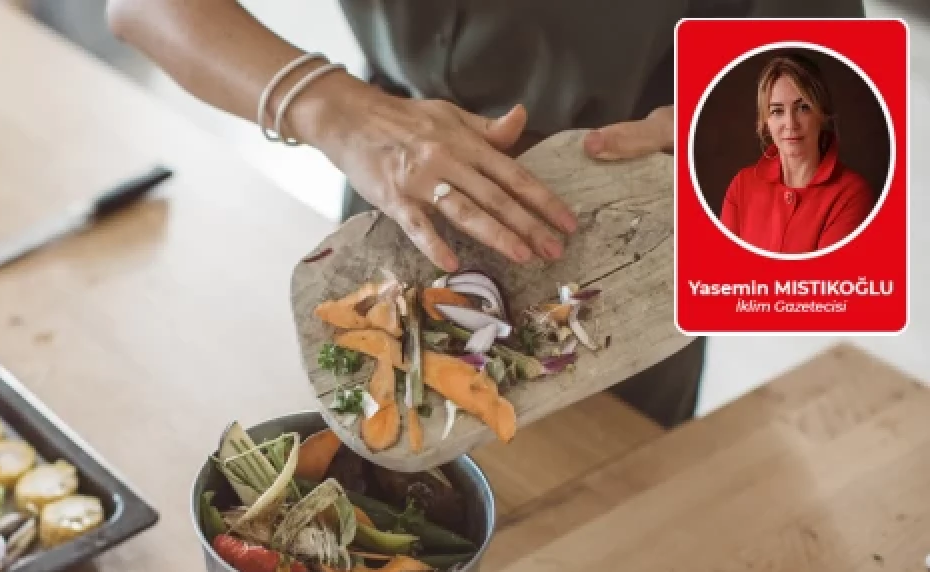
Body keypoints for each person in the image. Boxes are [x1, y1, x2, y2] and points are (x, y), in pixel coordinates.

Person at [106, 0, 865, 428]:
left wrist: (750, 149)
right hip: (395, 207)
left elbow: (841, 83)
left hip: (627, 246)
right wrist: (336, 111)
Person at [719, 52, 876, 254]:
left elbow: (822, 282)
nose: (791, 124)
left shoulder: (852, 194)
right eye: (777, 111)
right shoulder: (741, 186)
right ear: (765, 122)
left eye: (803, 108)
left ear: (822, 114)